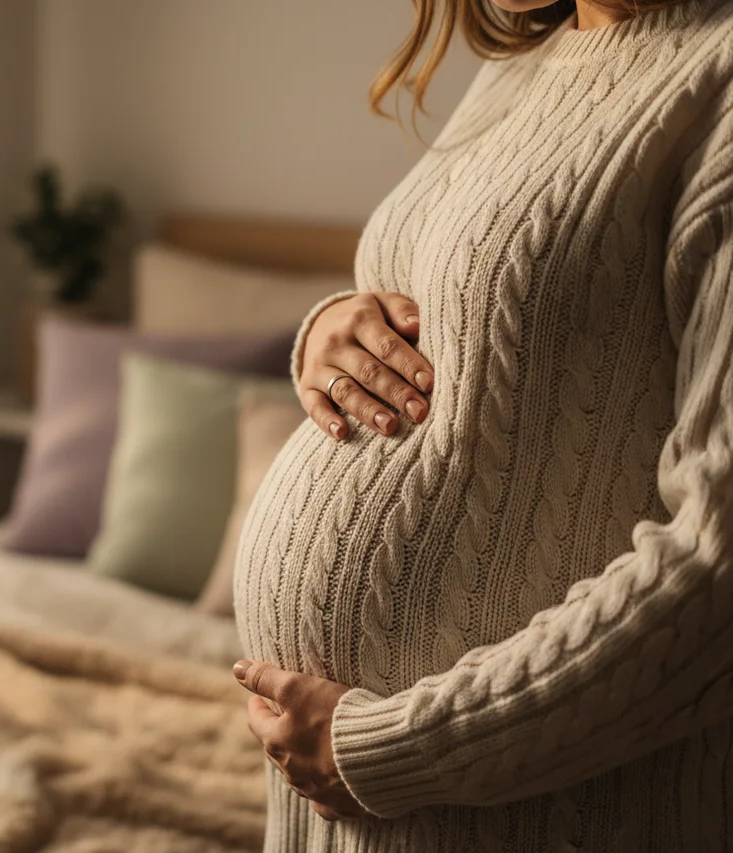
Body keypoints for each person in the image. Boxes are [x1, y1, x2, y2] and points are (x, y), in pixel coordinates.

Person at [230, 0, 733, 850]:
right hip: (342, 805)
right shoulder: (524, 64)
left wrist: (397, 748)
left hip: (540, 807)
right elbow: (473, 318)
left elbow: (718, 559)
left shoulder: (714, 84)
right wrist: (330, 330)